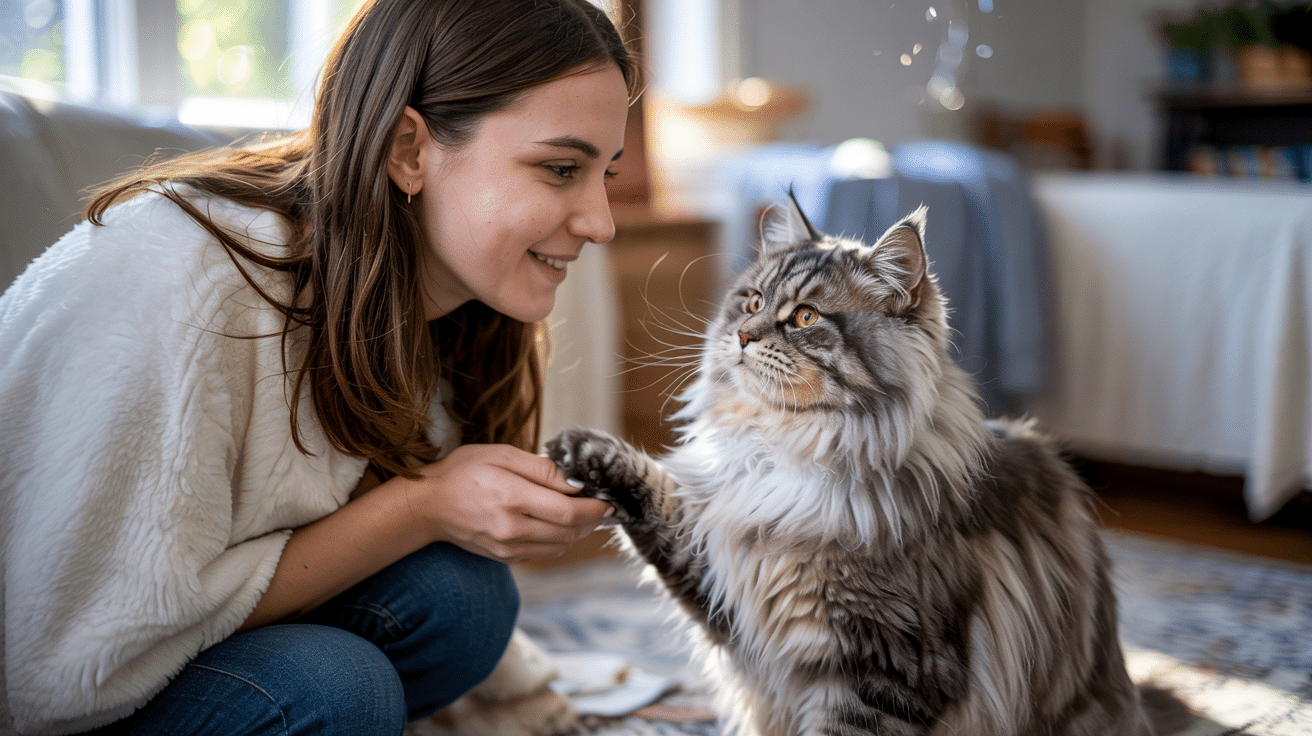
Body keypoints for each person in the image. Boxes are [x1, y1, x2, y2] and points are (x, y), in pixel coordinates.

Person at [0, 0, 635, 733]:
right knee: (337, 689)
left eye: (606, 174)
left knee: (467, 596)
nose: (601, 223)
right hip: (49, 680)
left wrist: (435, 507)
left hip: (162, 642)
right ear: (409, 150)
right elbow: (63, 663)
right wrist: (423, 503)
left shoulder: (431, 298)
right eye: (561, 168)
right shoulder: (187, 286)